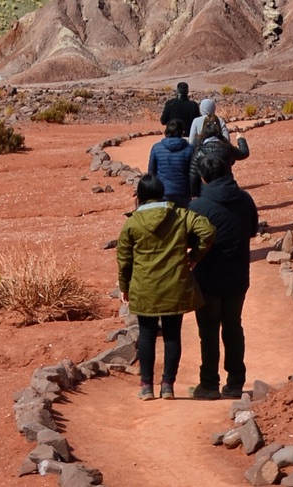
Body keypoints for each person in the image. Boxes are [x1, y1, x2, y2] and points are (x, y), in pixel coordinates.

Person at [116, 172, 217, 400]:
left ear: (140, 196)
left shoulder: (132, 223)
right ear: (162, 193)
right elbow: (207, 231)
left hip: (144, 287)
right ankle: (168, 385)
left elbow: (124, 260)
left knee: (147, 335)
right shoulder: (180, 214)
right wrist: (195, 256)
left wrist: (125, 286)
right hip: (175, 285)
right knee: (172, 335)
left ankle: (146, 386)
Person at [187, 141, 260, 399]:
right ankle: (236, 382)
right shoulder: (245, 199)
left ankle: (208, 384)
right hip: (238, 275)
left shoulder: (197, 207)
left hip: (207, 278)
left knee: (208, 331)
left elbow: (187, 242)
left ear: (204, 177)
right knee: (233, 327)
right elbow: (252, 230)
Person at [187, 97, 251, 199]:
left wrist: (194, 194)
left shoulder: (196, 122)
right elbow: (228, 140)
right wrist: (240, 140)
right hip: (224, 170)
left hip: (204, 178)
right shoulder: (219, 120)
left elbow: (191, 140)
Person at [146, 119, 194, 205]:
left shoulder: (156, 148)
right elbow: (193, 173)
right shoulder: (189, 149)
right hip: (183, 193)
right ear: (182, 132)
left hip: (162, 193)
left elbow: (151, 173)